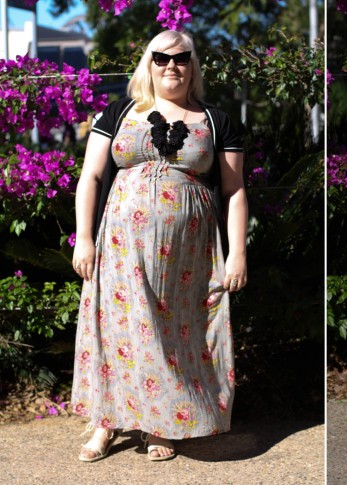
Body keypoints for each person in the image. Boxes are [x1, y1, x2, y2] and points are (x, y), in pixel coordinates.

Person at [70, 30, 248, 462]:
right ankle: (105, 423)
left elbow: (235, 191)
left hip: (188, 255)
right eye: (161, 58)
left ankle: (160, 424)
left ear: (193, 66)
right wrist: (85, 238)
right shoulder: (118, 112)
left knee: (175, 332)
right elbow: (91, 178)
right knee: (115, 328)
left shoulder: (216, 120)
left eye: (182, 59)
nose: (172, 66)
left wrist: (238, 252)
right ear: (147, 64)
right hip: (119, 248)